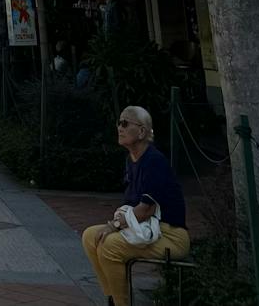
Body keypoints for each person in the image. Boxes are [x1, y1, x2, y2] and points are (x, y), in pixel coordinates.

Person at [81, 106, 191, 304]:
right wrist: (114, 223)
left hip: (170, 235)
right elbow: (131, 206)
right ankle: (114, 297)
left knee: (109, 245)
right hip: (147, 228)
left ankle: (122, 303)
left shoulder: (154, 161)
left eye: (125, 123)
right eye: (119, 123)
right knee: (90, 236)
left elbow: (145, 209)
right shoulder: (131, 160)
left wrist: (113, 226)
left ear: (141, 131)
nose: (119, 128)